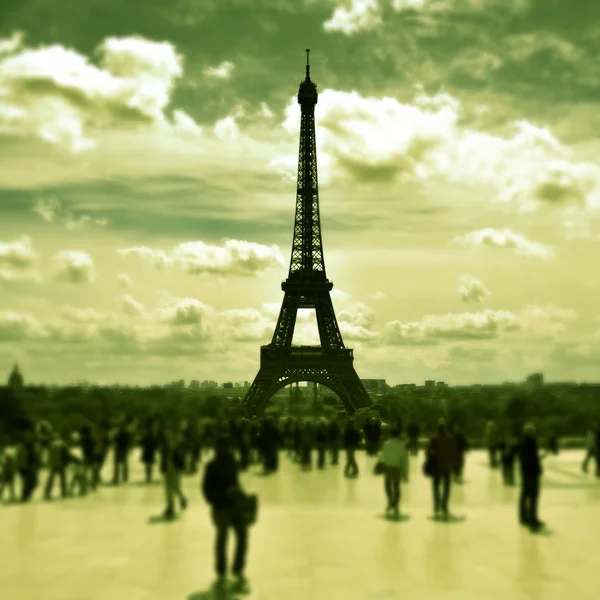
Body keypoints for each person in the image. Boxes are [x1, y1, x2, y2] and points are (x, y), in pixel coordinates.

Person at [202, 435, 249, 586]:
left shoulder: (231, 463)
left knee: (238, 536)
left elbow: (235, 481)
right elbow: (207, 490)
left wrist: (240, 493)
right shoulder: (212, 466)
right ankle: (225, 569)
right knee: (224, 538)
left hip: (233, 505)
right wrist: (219, 498)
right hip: (222, 507)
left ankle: (234, 568)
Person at [426, 418, 458, 518]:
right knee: (446, 487)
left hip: (436, 466)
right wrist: (454, 464)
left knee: (436, 486)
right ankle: (444, 505)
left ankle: (437, 504)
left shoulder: (433, 438)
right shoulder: (450, 439)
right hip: (446, 466)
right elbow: (454, 453)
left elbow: (427, 451)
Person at [517, 422, 544, 529]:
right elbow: (532, 459)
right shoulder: (531, 443)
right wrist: (538, 464)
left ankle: (523, 517)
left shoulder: (522, 442)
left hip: (525, 472)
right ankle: (532, 518)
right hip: (531, 472)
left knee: (524, 495)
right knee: (533, 495)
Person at [379, 426, 409, 517]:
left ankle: (390, 501)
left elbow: (382, 456)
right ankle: (395, 504)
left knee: (387, 487)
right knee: (396, 488)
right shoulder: (402, 445)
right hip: (397, 468)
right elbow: (405, 460)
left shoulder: (386, 444)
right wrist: (405, 472)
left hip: (388, 468)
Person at [160, 424, 188, 519]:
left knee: (175, 487)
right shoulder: (165, 442)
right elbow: (163, 456)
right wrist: (163, 467)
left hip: (176, 467)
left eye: (168, 431)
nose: (166, 433)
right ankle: (170, 507)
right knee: (168, 488)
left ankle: (181, 499)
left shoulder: (179, 441)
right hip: (168, 467)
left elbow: (182, 456)